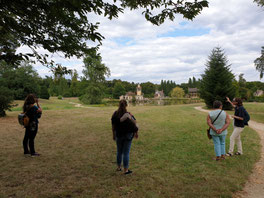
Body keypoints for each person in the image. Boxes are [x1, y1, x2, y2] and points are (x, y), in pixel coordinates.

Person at [111, 100, 138, 174]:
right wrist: (136, 132)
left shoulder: (115, 114)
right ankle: (126, 170)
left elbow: (113, 126)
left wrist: (113, 134)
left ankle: (119, 167)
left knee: (119, 152)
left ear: (118, 105)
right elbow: (134, 123)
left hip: (118, 135)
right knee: (126, 153)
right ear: (126, 105)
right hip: (128, 135)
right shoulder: (128, 114)